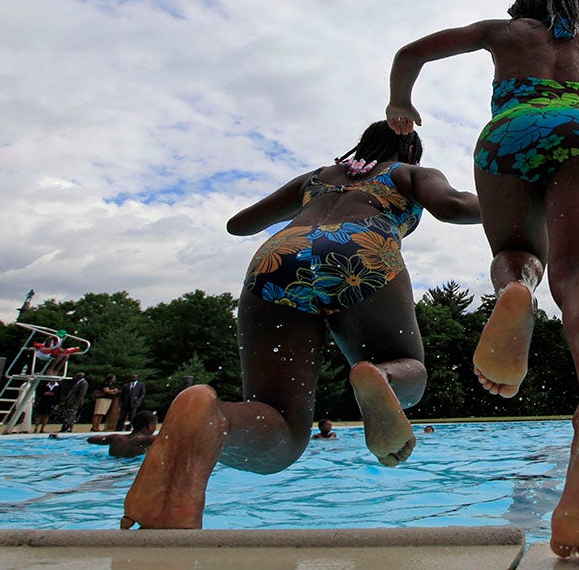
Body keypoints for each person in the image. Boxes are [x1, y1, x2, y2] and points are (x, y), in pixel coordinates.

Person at [385, 0, 579, 556]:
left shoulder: (502, 31)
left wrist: (401, 102)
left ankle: (516, 288)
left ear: (523, 7)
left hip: (507, 134)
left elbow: (410, 52)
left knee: (514, 251)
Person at [120, 121, 480, 530]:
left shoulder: (315, 178)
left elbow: (239, 224)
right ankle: (377, 375)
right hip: (363, 248)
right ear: (410, 151)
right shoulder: (411, 173)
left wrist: (309, 202)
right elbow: (452, 206)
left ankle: (212, 418)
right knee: (408, 372)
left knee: (283, 427)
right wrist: (516, 207)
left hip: (278, 256)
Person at [88, 410, 159, 458]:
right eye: (155, 425)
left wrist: (107, 439)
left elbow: (90, 439)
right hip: (130, 469)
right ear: (150, 426)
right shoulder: (145, 440)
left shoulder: (115, 438)